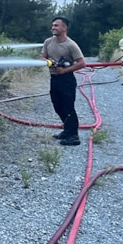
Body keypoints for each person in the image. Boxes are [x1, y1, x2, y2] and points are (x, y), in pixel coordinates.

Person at [41, 16, 87, 146]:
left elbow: (82, 63)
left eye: (56, 25)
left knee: (68, 107)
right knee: (57, 105)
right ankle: (67, 130)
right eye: (52, 25)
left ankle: (74, 136)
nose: (53, 28)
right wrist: (47, 61)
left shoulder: (71, 45)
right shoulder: (48, 42)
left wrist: (64, 70)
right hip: (54, 79)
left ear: (64, 28)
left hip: (66, 80)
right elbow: (42, 57)